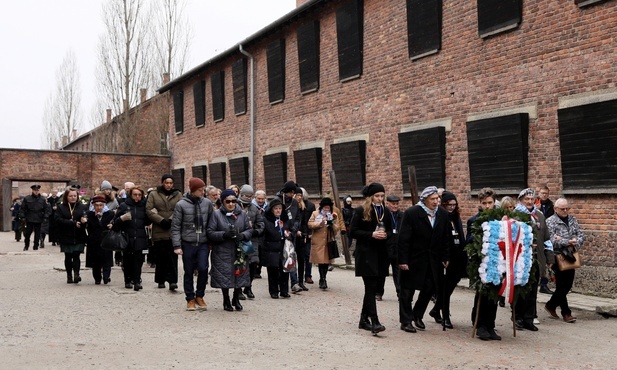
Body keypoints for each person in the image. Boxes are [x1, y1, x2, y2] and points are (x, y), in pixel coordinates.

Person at [397, 186, 450, 333]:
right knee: (407, 291)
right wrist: (403, 260)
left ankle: (417, 315)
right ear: (425, 199)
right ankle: (406, 320)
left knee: (430, 288)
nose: (436, 202)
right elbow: (404, 238)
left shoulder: (443, 214)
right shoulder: (412, 213)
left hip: (433, 260)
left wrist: (446, 256)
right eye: (432, 199)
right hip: (414, 258)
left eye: (437, 199)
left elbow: (446, 238)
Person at [349, 182, 392, 335]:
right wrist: (371, 235)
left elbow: (391, 230)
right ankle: (375, 321)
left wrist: (386, 235)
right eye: (377, 196)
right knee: (370, 287)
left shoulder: (386, 211)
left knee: (373, 287)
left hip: (380, 255)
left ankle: (363, 319)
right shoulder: (361, 210)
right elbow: (352, 231)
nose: (380, 199)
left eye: (382, 196)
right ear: (370, 197)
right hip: (366, 254)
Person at [207, 189, 253, 311]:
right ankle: (226, 299)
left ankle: (236, 298)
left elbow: (249, 229)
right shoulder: (216, 214)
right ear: (223, 202)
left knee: (240, 274)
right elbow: (210, 232)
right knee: (224, 275)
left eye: (233, 201)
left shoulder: (242, 214)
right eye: (228, 201)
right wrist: (224, 234)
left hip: (239, 249)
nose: (231, 204)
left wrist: (243, 235)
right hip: (223, 250)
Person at [171, 177, 213, 311]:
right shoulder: (181, 205)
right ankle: (190, 298)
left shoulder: (207, 203)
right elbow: (176, 226)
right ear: (193, 190)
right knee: (188, 271)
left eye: (203, 189)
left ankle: (199, 295)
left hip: (203, 242)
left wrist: (211, 241)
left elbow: (212, 223)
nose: (202, 192)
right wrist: (177, 245)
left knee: (203, 268)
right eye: (200, 190)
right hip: (188, 242)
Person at [427, 191, 466, 329]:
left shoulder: (456, 218)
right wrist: (444, 256)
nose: (451, 207)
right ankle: (445, 315)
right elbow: (441, 240)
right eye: (449, 205)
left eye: (454, 205)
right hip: (446, 258)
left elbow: (460, 236)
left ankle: (436, 309)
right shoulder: (441, 218)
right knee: (444, 288)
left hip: (458, 257)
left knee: (449, 288)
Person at [467, 187, 502, 340]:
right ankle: (480, 324)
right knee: (482, 293)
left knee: (494, 293)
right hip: (481, 263)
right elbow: (469, 242)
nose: (487, 206)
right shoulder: (474, 221)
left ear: (494, 202)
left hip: (497, 262)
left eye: (490, 203)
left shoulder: (500, 220)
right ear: (480, 203)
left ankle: (490, 325)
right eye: (484, 203)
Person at [545, 198, 584, 324]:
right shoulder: (550, 221)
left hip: (571, 255)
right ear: (556, 209)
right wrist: (566, 241)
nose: (565, 211)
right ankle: (566, 313)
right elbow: (550, 239)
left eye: (567, 208)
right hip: (557, 256)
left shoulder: (572, 219)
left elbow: (581, 235)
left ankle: (551, 305)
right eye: (562, 209)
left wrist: (574, 244)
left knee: (567, 285)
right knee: (561, 285)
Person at [147, 174, 183, 291]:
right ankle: (160, 279)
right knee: (160, 256)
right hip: (159, 228)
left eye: (171, 183)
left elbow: (180, 208)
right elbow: (149, 209)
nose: (169, 185)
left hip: (173, 229)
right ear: (162, 182)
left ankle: (173, 281)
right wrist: (161, 220)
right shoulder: (154, 194)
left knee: (172, 257)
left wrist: (172, 219)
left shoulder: (177, 194)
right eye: (167, 183)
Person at [114, 185, 151, 291]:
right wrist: (122, 218)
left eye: (139, 195)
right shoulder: (124, 206)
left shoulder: (143, 206)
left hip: (140, 236)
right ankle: (127, 280)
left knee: (138, 260)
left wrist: (151, 214)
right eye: (135, 194)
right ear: (130, 195)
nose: (137, 197)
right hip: (127, 236)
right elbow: (115, 223)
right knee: (127, 260)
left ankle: (137, 280)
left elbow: (147, 222)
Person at [54, 187, 88, 284]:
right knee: (68, 256)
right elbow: (57, 220)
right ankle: (69, 275)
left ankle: (76, 274)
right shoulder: (61, 207)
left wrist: (84, 221)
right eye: (70, 196)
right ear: (66, 197)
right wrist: (72, 223)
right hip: (66, 235)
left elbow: (85, 217)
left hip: (79, 235)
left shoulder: (82, 206)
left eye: (74, 196)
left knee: (76, 255)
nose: (73, 198)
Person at [237, 184, 265, 299]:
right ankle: (238, 289)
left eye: (250, 196)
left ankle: (248, 287)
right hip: (239, 239)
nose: (248, 198)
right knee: (239, 265)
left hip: (252, 240)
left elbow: (261, 223)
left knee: (253, 263)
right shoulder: (236, 206)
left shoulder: (254, 208)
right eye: (246, 196)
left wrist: (256, 231)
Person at [307, 197, 341, 290]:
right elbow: (310, 224)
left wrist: (331, 224)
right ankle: (322, 279)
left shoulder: (333, 215)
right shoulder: (315, 213)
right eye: (325, 208)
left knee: (326, 262)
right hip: (318, 241)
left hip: (328, 241)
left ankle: (324, 279)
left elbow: (337, 228)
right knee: (320, 262)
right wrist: (320, 223)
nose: (326, 209)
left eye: (328, 208)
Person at [261, 198, 291, 299]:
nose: (278, 210)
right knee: (273, 270)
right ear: (272, 210)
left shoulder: (285, 219)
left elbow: (290, 229)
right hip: (271, 248)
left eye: (280, 208)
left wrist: (289, 234)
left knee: (284, 270)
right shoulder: (266, 220)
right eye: (276, 209)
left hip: (283, 247)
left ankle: (284, 290)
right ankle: (273, 291)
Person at [276, 181, 302, 293]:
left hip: (291, 234)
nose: (292, 195)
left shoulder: (295, 203)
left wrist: (294, 229)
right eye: (291, 192)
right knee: (280, 259)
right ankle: (279, 283)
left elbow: (297, 218)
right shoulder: (277, 200)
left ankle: (294, 283)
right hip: (279, 233)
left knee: (291, 257)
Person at [376, 194, 402, 301]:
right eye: (393, 204)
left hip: (397, 248)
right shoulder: (384, 215)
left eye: (397, 204)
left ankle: (400, 293)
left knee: (398, 272)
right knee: (382, 272)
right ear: (388, 204)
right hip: (385, 247)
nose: (395, 206)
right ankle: (379, 292)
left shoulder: (402, 215)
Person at [86, 195, 115, 284]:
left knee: (107, 259)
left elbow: (115, 223)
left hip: (106, 239)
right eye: (97, 205)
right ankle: (97, 278)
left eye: (101, 205)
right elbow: (88, 227)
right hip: (93, 240)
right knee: (95, 261)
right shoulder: (89, 214)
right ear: (93, 205)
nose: (99, 207)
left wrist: (112, 226)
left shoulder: (110, 213)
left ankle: (106, 277)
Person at [295, 187, 315, 289]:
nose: (299, 197)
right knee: (291, 259)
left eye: (300, 196)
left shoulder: (304, 207)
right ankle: (294, 281)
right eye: (297, 195)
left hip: (302, 235)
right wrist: (295, 231)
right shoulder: (291, 207)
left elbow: (303, 222)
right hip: (293, 235)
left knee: (303, 258)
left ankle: (301, 280)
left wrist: (306, 234)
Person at [19, 184, 50, 251]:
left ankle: (36, 246)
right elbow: (22, 208)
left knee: (37, 234)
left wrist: (45, 217)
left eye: (37, 190)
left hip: (39, 218)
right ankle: (26, 245)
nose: (36, 191)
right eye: (35, 190)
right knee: (27, 234)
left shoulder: (42, 199)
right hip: (29, 218)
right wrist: (23, 217)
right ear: (32, 190)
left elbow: (46, 209)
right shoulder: (27, 198)